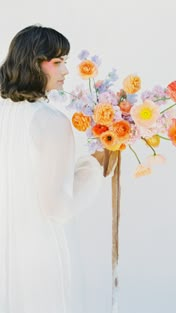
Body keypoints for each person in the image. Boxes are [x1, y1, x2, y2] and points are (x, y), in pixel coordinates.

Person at [0, 25, 105, 313]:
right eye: (58, 62)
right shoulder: (50, 121)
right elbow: (58, 207)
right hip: (41, 253)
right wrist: (95, 164)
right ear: (34, 64)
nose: (66, 71)